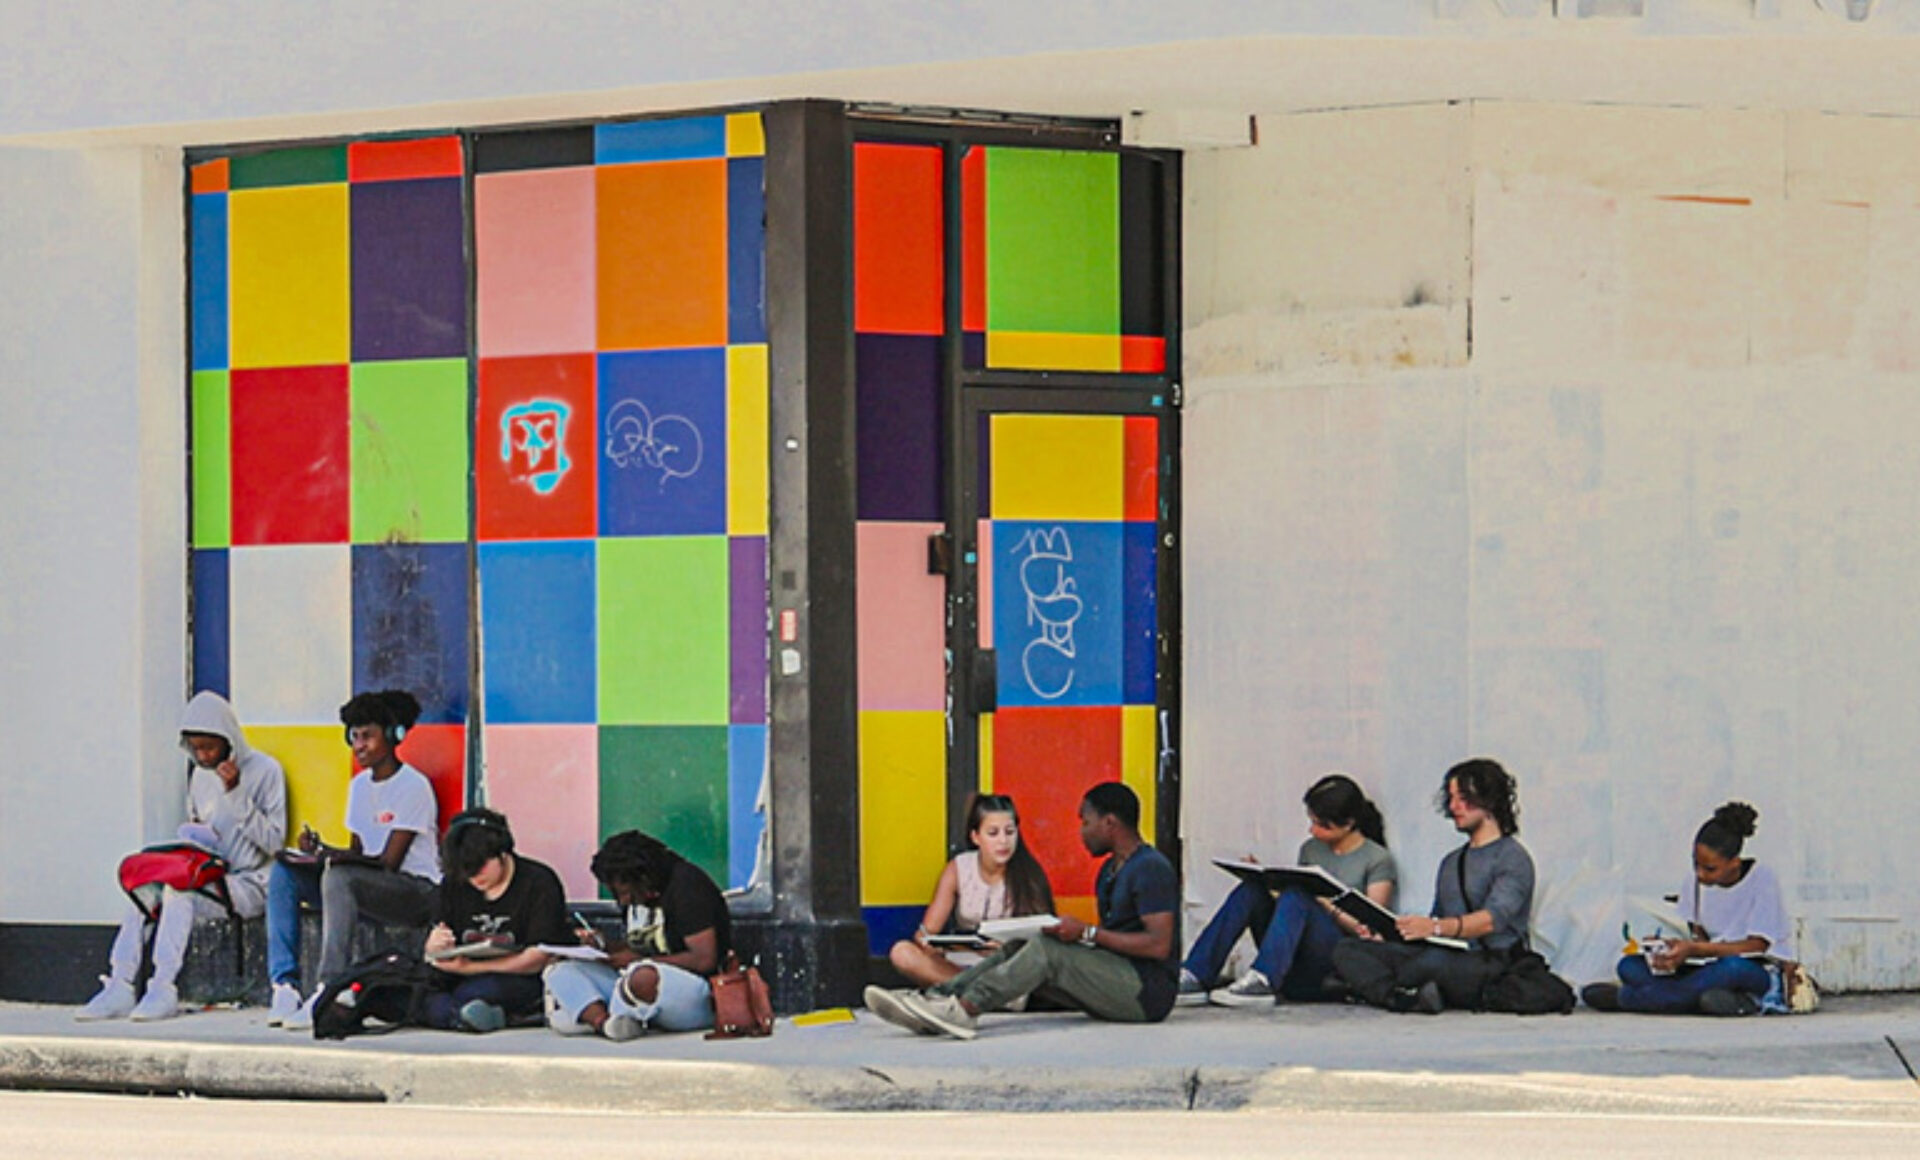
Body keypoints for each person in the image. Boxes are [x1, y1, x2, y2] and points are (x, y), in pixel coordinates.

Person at [864, 782, 1178, 1040]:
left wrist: (1087, 933)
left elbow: (1158, 944)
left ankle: (966, 1009)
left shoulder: (1150, 868)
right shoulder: (1110, 871)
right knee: (1022, 946)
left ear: (1110, 824)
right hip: (1116, 977)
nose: (1082, 832)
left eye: (1086, 822)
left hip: (1145, 995)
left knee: (1046, 950)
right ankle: (939, 999)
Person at [77, 692, 287, 1022]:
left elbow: (274, 842)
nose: (202, 755)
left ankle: (163, 986)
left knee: (178, 893)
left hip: (250, 883)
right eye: (195, 747)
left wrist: (236, 794)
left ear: (228, 740)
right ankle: (119, 985)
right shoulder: (200, 776)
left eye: (209, 747)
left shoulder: (265, 771)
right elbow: (205, 829)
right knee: (145, 892)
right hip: (210, 875)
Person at [266, 689, 441, 1031]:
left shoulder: (413, 786)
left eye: (368, 736)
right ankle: (283, 986)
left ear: (393, 737)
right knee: (284, 873)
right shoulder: (360, 786)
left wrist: (336, 859)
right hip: (369, 887)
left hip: (416, 892)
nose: (359, 745)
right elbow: (358, 854)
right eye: (354, 737)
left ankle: (327, 987)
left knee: (339, 876)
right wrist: (319, 852)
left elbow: (389, 862)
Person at [1330, 758, 1536, 1015]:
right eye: (1451, 798)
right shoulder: (1451, 861)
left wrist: (1435, 927)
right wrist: (1393, 934)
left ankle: (1391, 989)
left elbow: (1492, 921)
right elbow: (1437, 918)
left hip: (1492, 960)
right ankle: (1401, 997)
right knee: (1347, 949)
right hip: (1445, 951)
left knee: (1430, 963)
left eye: (1464, 797)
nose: (1454, 807)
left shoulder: (1512, 857)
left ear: (1490, 801)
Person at [1179, 773, 1396, 1007]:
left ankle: (1263, 980)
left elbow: (1370, 928)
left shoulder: (1376, 859)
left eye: (1322, 825)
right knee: (1252, 890)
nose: (1313, 831)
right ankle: (1196, 973)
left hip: (1336, 955)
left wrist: (1324, 903)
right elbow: (1292, 910)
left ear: (1349, 823)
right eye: (1311, 821)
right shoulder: (1311, 850)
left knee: (1298, 897)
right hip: (1294, 949)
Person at [1583, 802, 1790, 1017]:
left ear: (1734, 864)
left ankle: (1627, 999)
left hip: (1751, 968)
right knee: (1628, 966)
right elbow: (1695, 936)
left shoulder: (1763, 879)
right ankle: (1706, 1000)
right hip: (1708, 966)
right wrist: (1670, 950)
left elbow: (1757, 946)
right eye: (1696, 865)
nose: (1700, 874)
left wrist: (1695, 949)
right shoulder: (1694, 882)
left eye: (1710, 869)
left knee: (1732, 969)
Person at [545, 831, 732, 1039]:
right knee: (558, 971)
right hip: (635, 984)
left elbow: (704, 958)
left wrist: (639, 960)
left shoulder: (687, 886)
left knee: (643, 976)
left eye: (625, 893)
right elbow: (642, 946)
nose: (623, 901)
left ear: (644, 877)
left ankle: (593, 1013)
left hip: (692, 993)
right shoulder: (636, 897)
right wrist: (604, 946)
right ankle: (606, 1023)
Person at [423, 807, 571, 1031]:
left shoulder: (539, 882)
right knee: (414, 988)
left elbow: (537, 958)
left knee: (473, 992)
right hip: (460, 972)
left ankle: (457, 1015)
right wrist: (435, 946)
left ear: (502, 852)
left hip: (517, 976)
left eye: (480, 867)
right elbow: (438, 935)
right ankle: (464, 1016)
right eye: (466, 871)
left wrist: (469, 968)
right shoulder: (455, 883)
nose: (474, 878)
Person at [887, 793, 1056, 989]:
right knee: (902, 953)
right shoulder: (958, 868)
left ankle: (972, 992)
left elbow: (1045, 942)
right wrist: (932, 947)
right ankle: (980, 991)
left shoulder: (1029, 874)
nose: (1003, 841)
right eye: (993, 833)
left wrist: (1007, 949)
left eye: (1010, 832)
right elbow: (926, 932)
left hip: (1008, 966)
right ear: (976, 837)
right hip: (961, 963)